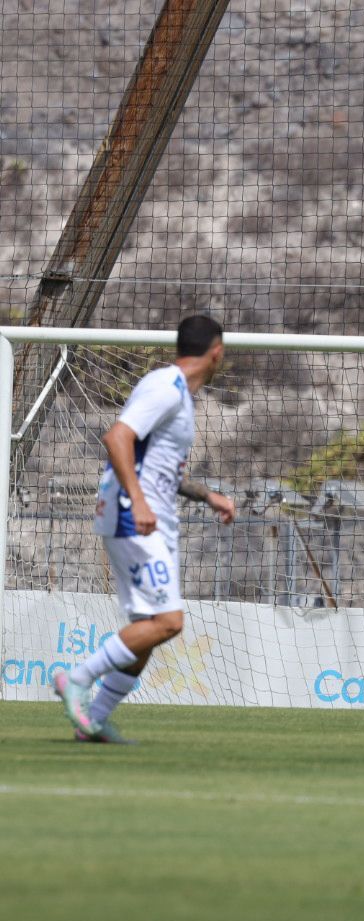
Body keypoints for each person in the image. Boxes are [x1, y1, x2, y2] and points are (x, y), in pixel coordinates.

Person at [52, 314, 237, 744]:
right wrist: (137, 499)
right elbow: (117, 437)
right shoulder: (164, 387)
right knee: (169, 622)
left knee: (147, 632)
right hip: (135, 517)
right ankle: (76, 679)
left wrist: (208, 496)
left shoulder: (181, 396)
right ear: (216, 351)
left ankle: (93, 720)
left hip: (151, 516)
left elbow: (159, 469)